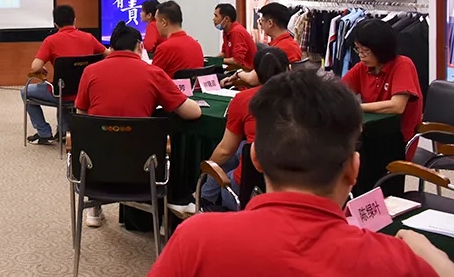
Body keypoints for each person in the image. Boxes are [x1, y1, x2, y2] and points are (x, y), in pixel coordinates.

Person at [148, 70, 453, 277]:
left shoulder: (196, 239)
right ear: (354, 168)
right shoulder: (398, 261)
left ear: (255, 158)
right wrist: (430, 256)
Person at [77, 21, 201, 228]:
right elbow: (192, 112)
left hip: (94, 169)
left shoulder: (90, 71)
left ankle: (94, 206)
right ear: (140, 46)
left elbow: (81, 118)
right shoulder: (153, 72)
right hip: (143, 169)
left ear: (112, 47)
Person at [195, 47, 289, 213]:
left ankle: (202, 200)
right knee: (240, 148)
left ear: (256, 73)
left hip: (249, 192)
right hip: (295, 189)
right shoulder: (307, 100)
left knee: (228, 158)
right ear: (289, 69)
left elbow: (224, 151)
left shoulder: (245, 100)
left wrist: (206, 167)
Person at [22, 5, 106, 144]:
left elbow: (35, 67)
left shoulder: (51, 41)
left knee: (26, 91)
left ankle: (44, 133)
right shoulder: (89, 38)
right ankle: (64, 131)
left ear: (55, 23)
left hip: (61, 92)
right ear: (74, 20)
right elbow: (107, 54)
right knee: (68, 86)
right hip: (86, 93)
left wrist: (41, 68)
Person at [341, 19, 423, 157]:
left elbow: (397, 106)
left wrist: (356, 107)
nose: (360, 55)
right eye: (357, 49)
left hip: (398, 139)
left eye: (366, 51)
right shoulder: (363, 67)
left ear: (381, 49)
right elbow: (338, 91)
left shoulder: (403, 65)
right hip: (373, 133)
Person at [228, 3, 301, 87]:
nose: (261, 25)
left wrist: (238, 73)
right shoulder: (290, 43)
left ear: (270, 23)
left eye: (261, 21)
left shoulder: (279, 49)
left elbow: (252, 79)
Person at [151, 1, 204, 78]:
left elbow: (152, 78)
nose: (155, 24)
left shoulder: (164, 48)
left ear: (164, 22)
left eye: (156, 20)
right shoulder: (196, 45)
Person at [213, 3, 256, 70]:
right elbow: (224, 53)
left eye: (216, 16)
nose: (213, 19)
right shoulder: (226, 31)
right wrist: (212, 60)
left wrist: (218, 61)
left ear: (226, 19)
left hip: (246, 71)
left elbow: (237, 61)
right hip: (236, 69)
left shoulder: (236, 32)